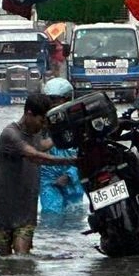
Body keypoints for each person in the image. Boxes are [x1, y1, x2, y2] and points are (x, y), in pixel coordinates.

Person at [0, 94, 79, 257]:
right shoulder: (10, 135)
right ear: (29, 114)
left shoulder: (35, 135)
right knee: (3, 263)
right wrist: (73, 161)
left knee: (23, 260)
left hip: (26, 212)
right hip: (3, 212)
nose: (43, 126)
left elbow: (44, 145)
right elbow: (36, 156)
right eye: (41, 121)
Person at [39, 78, 85, 215]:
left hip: (73, 178)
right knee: (51, 213)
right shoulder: (40, 123)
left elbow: (84, 153)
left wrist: (69, 175)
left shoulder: (78, 122)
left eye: (55, 99)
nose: (52, 104)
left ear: (66, 99)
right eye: (49, 100)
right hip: (48, 179)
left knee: (75, 213)